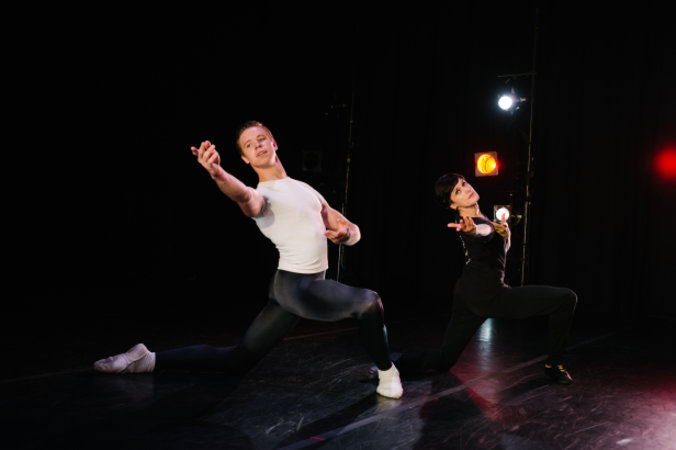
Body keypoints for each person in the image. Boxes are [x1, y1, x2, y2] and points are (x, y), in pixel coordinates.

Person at [93, 120, 403, 399]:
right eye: (249, 145)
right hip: (296, 287)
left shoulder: (305, 189)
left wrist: (346, 234)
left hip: (290, 288)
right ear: (245, 158)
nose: (257, 145)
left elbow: (350, 229)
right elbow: (243, 195)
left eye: (261, 138)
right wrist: (217, 173)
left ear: (274, 143)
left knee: (237, 360)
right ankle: (388, 373)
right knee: (368, 303)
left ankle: (147, 358)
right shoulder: (262, 196)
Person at [394, 172, 577, 384]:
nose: (467, 189)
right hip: (491, 296)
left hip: (467, 294)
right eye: (458, 191)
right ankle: (554, 364)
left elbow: (498, 252)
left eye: (464, 184)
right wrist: (473, 232)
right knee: (566, 298)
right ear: (453, 205)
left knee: (444, 359)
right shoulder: (470, 224)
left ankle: (390, 366)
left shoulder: (483, 218)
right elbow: (481, 232)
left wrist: (506, 235)